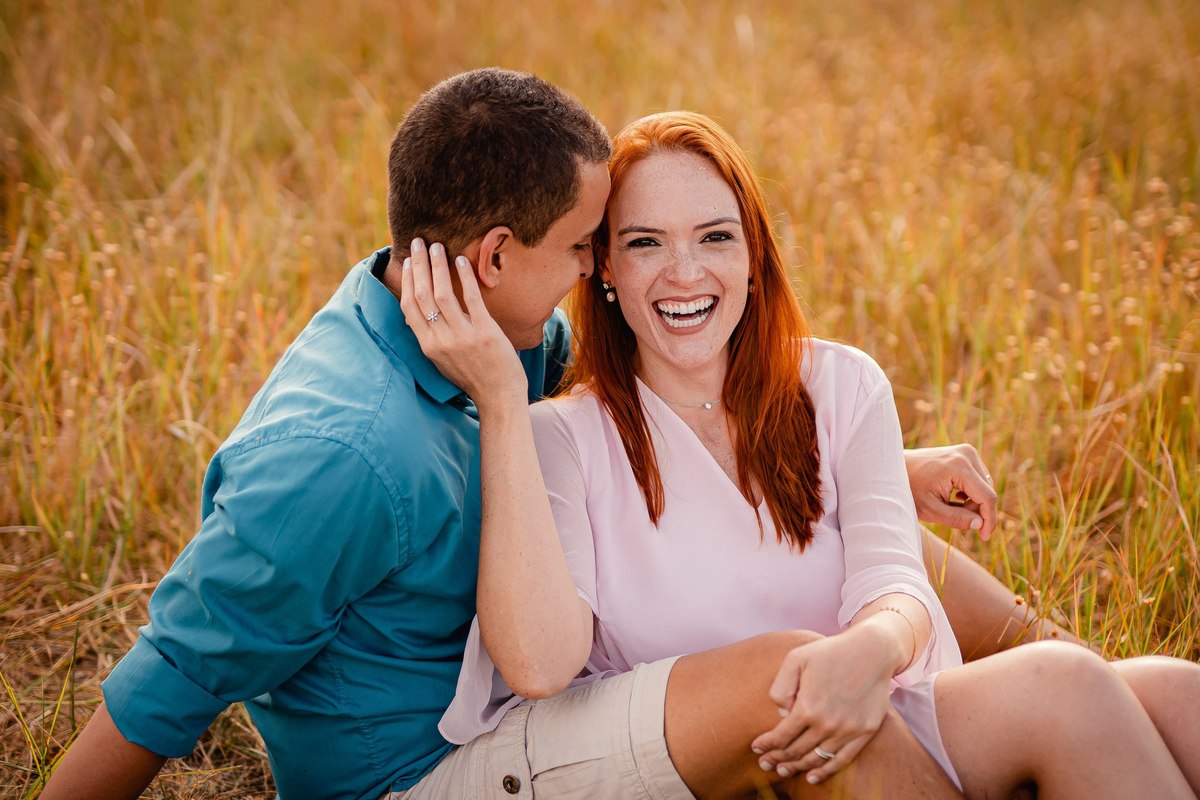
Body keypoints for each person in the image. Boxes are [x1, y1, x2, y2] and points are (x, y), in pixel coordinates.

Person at [35, 69, 1105, 800]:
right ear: (496, 255)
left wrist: (869, 462)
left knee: (833, 528)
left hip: (528, 669)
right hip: (432, 766)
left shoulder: (472, 310)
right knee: (790, 672)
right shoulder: (344, 452)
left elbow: (634, 424)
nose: (606, 270)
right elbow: (171, 674)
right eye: (592, 244)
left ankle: (1059, 676)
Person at [401, 111, 1200, 799]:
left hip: (889, 698)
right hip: (737, 765)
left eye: (716, 236)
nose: (686, 273)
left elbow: (896, 578)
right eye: (645, 243)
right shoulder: (559, 437)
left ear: (753, 254)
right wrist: (502, 401)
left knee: (1173, 691)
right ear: (604, 266)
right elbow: (540, 663)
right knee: (1062, 680)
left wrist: (872, 648)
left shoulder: (840, 383)